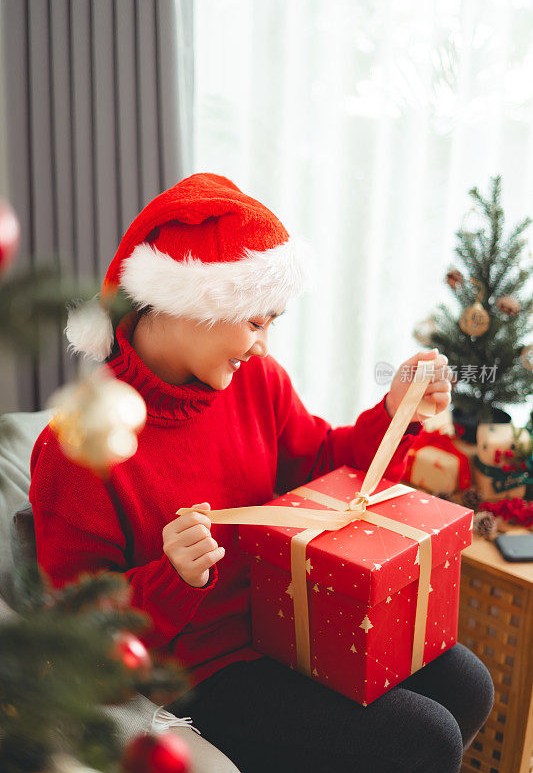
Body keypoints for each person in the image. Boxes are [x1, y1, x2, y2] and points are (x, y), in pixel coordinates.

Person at [30, 173, 494, 773]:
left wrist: (394, 413)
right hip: (202, 674)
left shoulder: (256, 383)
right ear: (192, 302)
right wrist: (170, 578)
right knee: (425, 737)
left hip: (287, 619)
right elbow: (76, 639)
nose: (264, 346)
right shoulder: (75, 450)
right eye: (255, 323)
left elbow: (325, 472)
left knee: (468, 686)